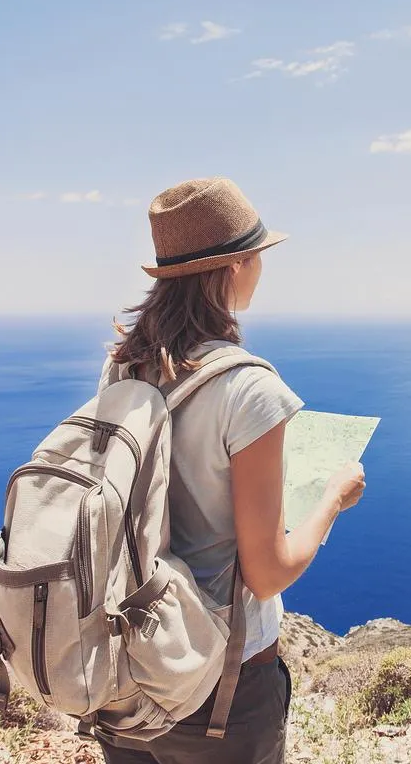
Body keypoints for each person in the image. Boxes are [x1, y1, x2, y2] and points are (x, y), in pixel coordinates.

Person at [96, 177, 366, 764]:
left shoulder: (125, 370)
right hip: (219, 684)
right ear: (238, 264)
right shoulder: (250, 391)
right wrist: (331, 499)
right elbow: (268, 574)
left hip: (123, 669)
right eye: (259, 257)